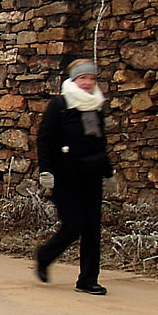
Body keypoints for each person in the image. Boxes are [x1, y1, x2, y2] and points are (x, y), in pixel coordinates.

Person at [34, 59, 114, 296]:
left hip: (92, 174)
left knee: (92, 228)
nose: (88, 83)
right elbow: (44, 138)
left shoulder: (95, 105)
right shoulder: (60, 104)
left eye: (92, 78)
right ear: (73, 80)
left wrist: (109, 172)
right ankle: (45, 255)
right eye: (83, 78)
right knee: (73, 224)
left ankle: (88, 280)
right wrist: (46, 170)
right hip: (66, 174)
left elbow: (100, 142)